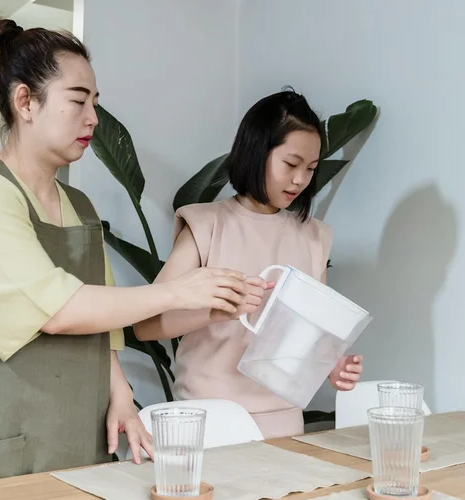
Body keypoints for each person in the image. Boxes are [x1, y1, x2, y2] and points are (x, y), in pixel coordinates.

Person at [0, 18, 268, 500]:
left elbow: (102, 321)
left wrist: (121, 395)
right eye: (78, 100)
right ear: (26, 101)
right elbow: (59, 310)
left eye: (95, 104)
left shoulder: (79, 208)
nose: (92, 118)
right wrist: (179, 289)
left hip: (68, 443)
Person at [134, 89, 364, 439]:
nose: (300, 180)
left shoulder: (314, 238)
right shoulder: (206, 226)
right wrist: (216, 309)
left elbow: (314, 336)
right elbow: (146, 325)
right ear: (257, 152)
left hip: (284, 425)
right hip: (208, 422)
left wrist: (331, 365)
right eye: (290, 164)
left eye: (311, 169)